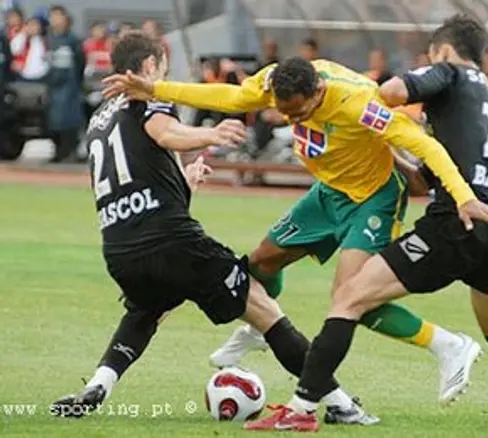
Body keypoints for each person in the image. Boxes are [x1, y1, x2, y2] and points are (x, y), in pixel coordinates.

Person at [102, 55, 488, 410]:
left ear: (317, 92)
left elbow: (425, 146)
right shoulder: (277, 81)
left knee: (350, 299)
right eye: (285, 113)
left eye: (297, 113)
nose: (292, 120)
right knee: (261, 260)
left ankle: (448, 345)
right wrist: (155, 88)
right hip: (328, 192)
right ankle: (261, 328)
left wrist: (463, 197)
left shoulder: (360, 103)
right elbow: (230, 97)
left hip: (372, 199)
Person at [243, 15, 488, 433]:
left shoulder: (449, 71)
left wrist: (372, 115)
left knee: (349, 298)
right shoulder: (487, 100)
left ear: (443, 51)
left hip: (456, 220)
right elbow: (423, 180)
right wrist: (393, 149)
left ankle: (301, 408)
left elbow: (389, 92)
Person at [50, 32, 369, 423]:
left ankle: (97, 385)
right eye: (162, 67)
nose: (163, 75)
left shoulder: (101, 117)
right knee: (263, 307)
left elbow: (135, 183)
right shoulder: (149, 94)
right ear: (149, 67)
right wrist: (211, 134)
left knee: (146, 311)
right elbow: (166, 133)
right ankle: (339, 403)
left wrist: (186, 182)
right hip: (170, 240)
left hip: (119, 250)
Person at [46, 5, 85, 162]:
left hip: (69, 85)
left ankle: (70, 151)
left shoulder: (73, 40)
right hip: (53, 85)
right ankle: (58, 151)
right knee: (53, 120)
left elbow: (80, 62)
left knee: (69, 118)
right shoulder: (48, 39)